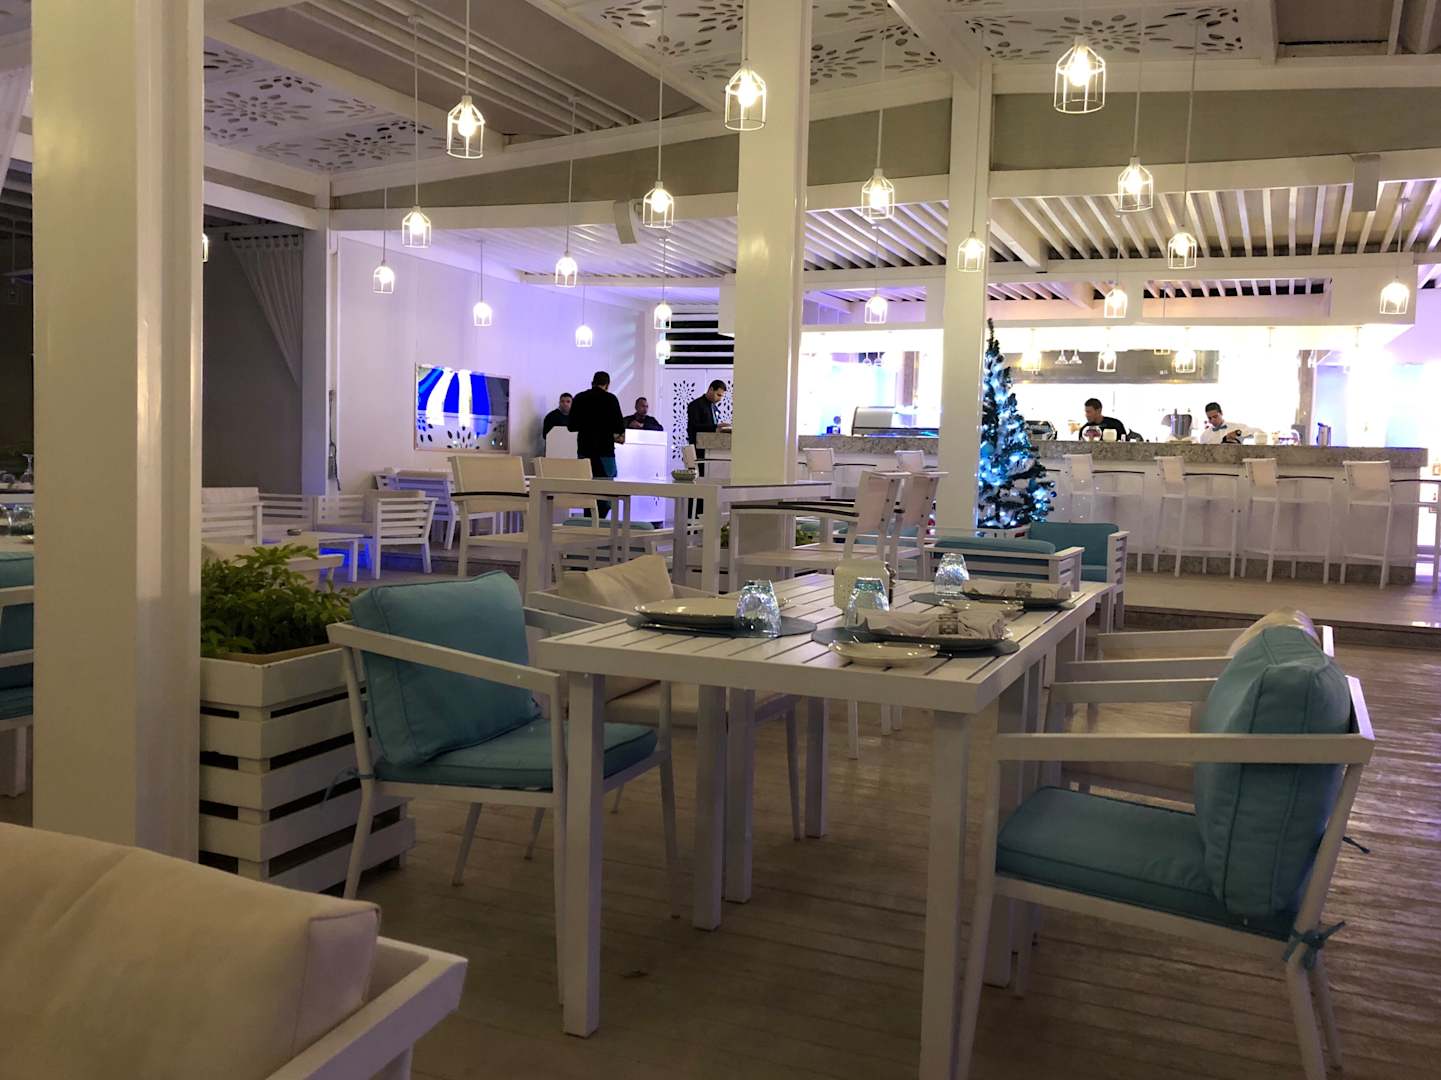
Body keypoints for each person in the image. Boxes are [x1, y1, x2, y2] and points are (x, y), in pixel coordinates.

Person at [567, 371, 625, 519]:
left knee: (588, 494)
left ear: (592, 382)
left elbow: (571, 426)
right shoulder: (611, 399)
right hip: (605, 451)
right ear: (607, 385)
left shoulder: (579, 398)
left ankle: (589, 524)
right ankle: (601, 526)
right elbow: (619, 427)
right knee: (606, 494)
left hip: (584, 451)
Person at [687, 379, 729, 445]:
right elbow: (695, 427)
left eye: (721, 396)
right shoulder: (695, 405)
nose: (720, 399)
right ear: (711, 389)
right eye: (718, 395)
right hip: (698, 446)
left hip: (712, 444)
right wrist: (716, 426)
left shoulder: (714, 407)